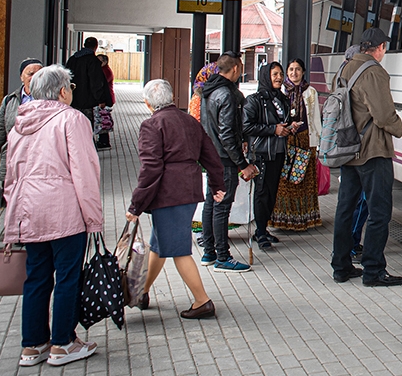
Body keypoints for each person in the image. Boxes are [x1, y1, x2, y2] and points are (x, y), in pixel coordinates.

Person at [3, 65, 103, 367]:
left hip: (29, 212)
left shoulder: (20, 122)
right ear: (62, 91)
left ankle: (32, 346)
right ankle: (63, 343)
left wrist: (13, 218)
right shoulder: (72, 119)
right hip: (64, 213)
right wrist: (94, 218)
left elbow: (11, 175)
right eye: (70, 87)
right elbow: (85, 172)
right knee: (68, 278)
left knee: (36, 277)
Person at [125, 79, 226, 319]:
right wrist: (217, 184)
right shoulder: (189, 121)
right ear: (171, 97)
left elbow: (150, 169)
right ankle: (142, 292)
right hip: (188, 189)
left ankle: (202, 301)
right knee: (159, 245)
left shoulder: (151, 125)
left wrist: (136, 205)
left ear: (148, 103)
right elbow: (210, 154)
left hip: (168, 194)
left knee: (179, 249)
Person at [330, 28, 402, 286]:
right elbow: (383, 115)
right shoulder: (374, 71)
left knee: (345, 208)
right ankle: (373, 270)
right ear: (380, 47)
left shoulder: (344, 68)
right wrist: (399, 128)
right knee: (379, 212)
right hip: (372, 151)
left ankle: (341, 266)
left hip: (347, 149)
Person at [199, 53, 255, 273]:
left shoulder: (208, 90)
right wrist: (242, 163)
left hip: (211, 156)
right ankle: (222, 256)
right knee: (222, 206)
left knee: (211, 202)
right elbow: (227, 135)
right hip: (224, 158)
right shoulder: (227, 94)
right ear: (235, 69)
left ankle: (209, 252)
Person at [243, 62, 293, 250]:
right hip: (262, 153)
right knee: (262, 192)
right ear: (266, 76)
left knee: (272, 192)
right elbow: (246, 126)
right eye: (275, 74)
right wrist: (273, 129)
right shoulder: (254, 100)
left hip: (279, 152)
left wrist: (289, 127)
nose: (279, 78)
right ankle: (260, 232)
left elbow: (283, 122)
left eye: (280, 74)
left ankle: (262, 228)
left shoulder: (282, 99)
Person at [273, 58, 323, 232]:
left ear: (303, 72)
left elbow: (315, 119)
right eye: (291, 69)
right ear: (287, 72)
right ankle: (284, 219)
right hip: (285, 140)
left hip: (305, 140)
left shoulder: (310, 91)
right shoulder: (280, 91)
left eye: (298, 69)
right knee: (285, 181)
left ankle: (304, 219)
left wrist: (317, 143)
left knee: (304, 181)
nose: (294, 73)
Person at [0, 58, 41, 189]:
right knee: (8, 196)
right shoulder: (9, 100)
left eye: (39, 74)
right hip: (11, 159)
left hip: (38, 161)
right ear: (21, 77)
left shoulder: (50, 101)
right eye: (30, 74)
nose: (35, 77)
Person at [64, 37, 113, 146]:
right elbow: (96, 82)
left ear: (84, 45)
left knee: (73, 126)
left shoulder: (72, 59)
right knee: (86, 127)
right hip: (87, 102)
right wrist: (101, 99)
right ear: (96, 46)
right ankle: (86, 148)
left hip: (71, 100)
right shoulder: (93, 61)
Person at [95, 54, 115, 149]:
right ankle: (103, 140)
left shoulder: (105, 71)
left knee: (103, 119)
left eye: (99, 61)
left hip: (106, 99)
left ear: (105, 62)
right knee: (102, 118)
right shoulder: (102, 70)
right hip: (105, 98)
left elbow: (100, 84)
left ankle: (104, 141)